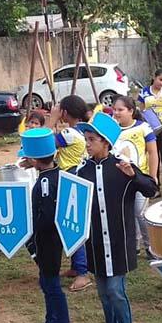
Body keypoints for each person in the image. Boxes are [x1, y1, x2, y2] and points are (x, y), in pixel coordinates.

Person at [75, 113, 159, 323]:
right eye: (86, 139)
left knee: (115, 290)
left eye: (92, 139)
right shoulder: (83, 170)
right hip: (96, 244)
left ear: (106, 142)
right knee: (103, 292)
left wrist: (134, 175)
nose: (87, 144)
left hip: (119, 242)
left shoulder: (122, 167)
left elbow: (151, 188)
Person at [21, 128, 74, 323]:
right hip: (46, 239)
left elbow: (47, 216)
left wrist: (31, 232)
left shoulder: (45, 182)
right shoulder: (55, 174)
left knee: (52, 285)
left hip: (48, 240)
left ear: (34, 159)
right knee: (46, 282)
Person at [48, 95, 95, 292]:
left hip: (70, 179)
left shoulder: (69, 133)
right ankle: (77, 267)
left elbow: (45, 144)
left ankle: (83, 272)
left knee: (73, 225)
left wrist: (51, 120)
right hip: (78, 178)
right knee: (74, 224)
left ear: (65, 113)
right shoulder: (83, 131)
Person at [112, 96, 159, 258]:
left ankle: (151, 247)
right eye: (115, 109)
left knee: (140, 212)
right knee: (127, 213)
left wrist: (152, 176)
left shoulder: (143, 127)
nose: (116, 113)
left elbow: (153, 152)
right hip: (119, 180)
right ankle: (134, 245)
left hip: (139, 178)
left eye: (120, 109)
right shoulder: (112, 129)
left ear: (131, 111)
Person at [138, 69, 162, 196]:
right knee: (154, 159)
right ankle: (156, 188)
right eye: (160, 79)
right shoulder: (144, 92)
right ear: (154, 77)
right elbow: (141, 112)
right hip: (150, 130)